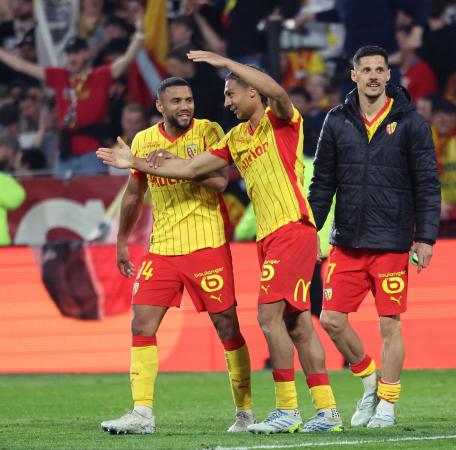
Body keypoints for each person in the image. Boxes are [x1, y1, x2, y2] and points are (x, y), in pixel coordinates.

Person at [97, 51, 343, 434]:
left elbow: (275, 91)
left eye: (232, 94)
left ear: (252, 92)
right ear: (159, 105)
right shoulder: (235, 138)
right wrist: (136, 161)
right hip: (264, 236)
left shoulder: (281, 121)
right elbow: (190, 168)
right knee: (297, 325)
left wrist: (221, 60)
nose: (226, 102)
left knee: (265, 318)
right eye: (224, 95)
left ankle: (286, 410)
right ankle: (326, 411)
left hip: (290, 228)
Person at [99, 77, 254, 435]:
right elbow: (134, 195)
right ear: (160, 107)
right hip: (162, 249)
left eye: (189, 99)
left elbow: (219, 182)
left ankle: (245, 412)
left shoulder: (209, 131)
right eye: (176, 101)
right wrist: (122, 240)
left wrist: (177, 163)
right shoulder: (143, 140)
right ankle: (142, 413)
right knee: (141, 324)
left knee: (227, 326)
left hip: (207, 244)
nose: (185, 106)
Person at [308, 45, 441, 429]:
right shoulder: (336, 120)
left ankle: (387, 405)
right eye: (365, 69)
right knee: (331, 319)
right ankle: (370, 381)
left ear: (387, 75)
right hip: (346, 241)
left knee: (390, 325)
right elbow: (322, 184)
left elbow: (428, 186)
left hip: (391, 242)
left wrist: (426, 238)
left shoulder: (412, 123)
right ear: (353, 75)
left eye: (379, 69)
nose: (373, 76)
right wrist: (308, 232)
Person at [0, 12, 145, 175]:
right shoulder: (60, 76)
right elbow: (22, 66)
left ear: (87, 53)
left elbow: (125, 60)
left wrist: (139, 35)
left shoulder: (99, 76)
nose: (71, 57)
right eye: (68, 53)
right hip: (64, 153)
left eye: (76, 52)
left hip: (92, 153)